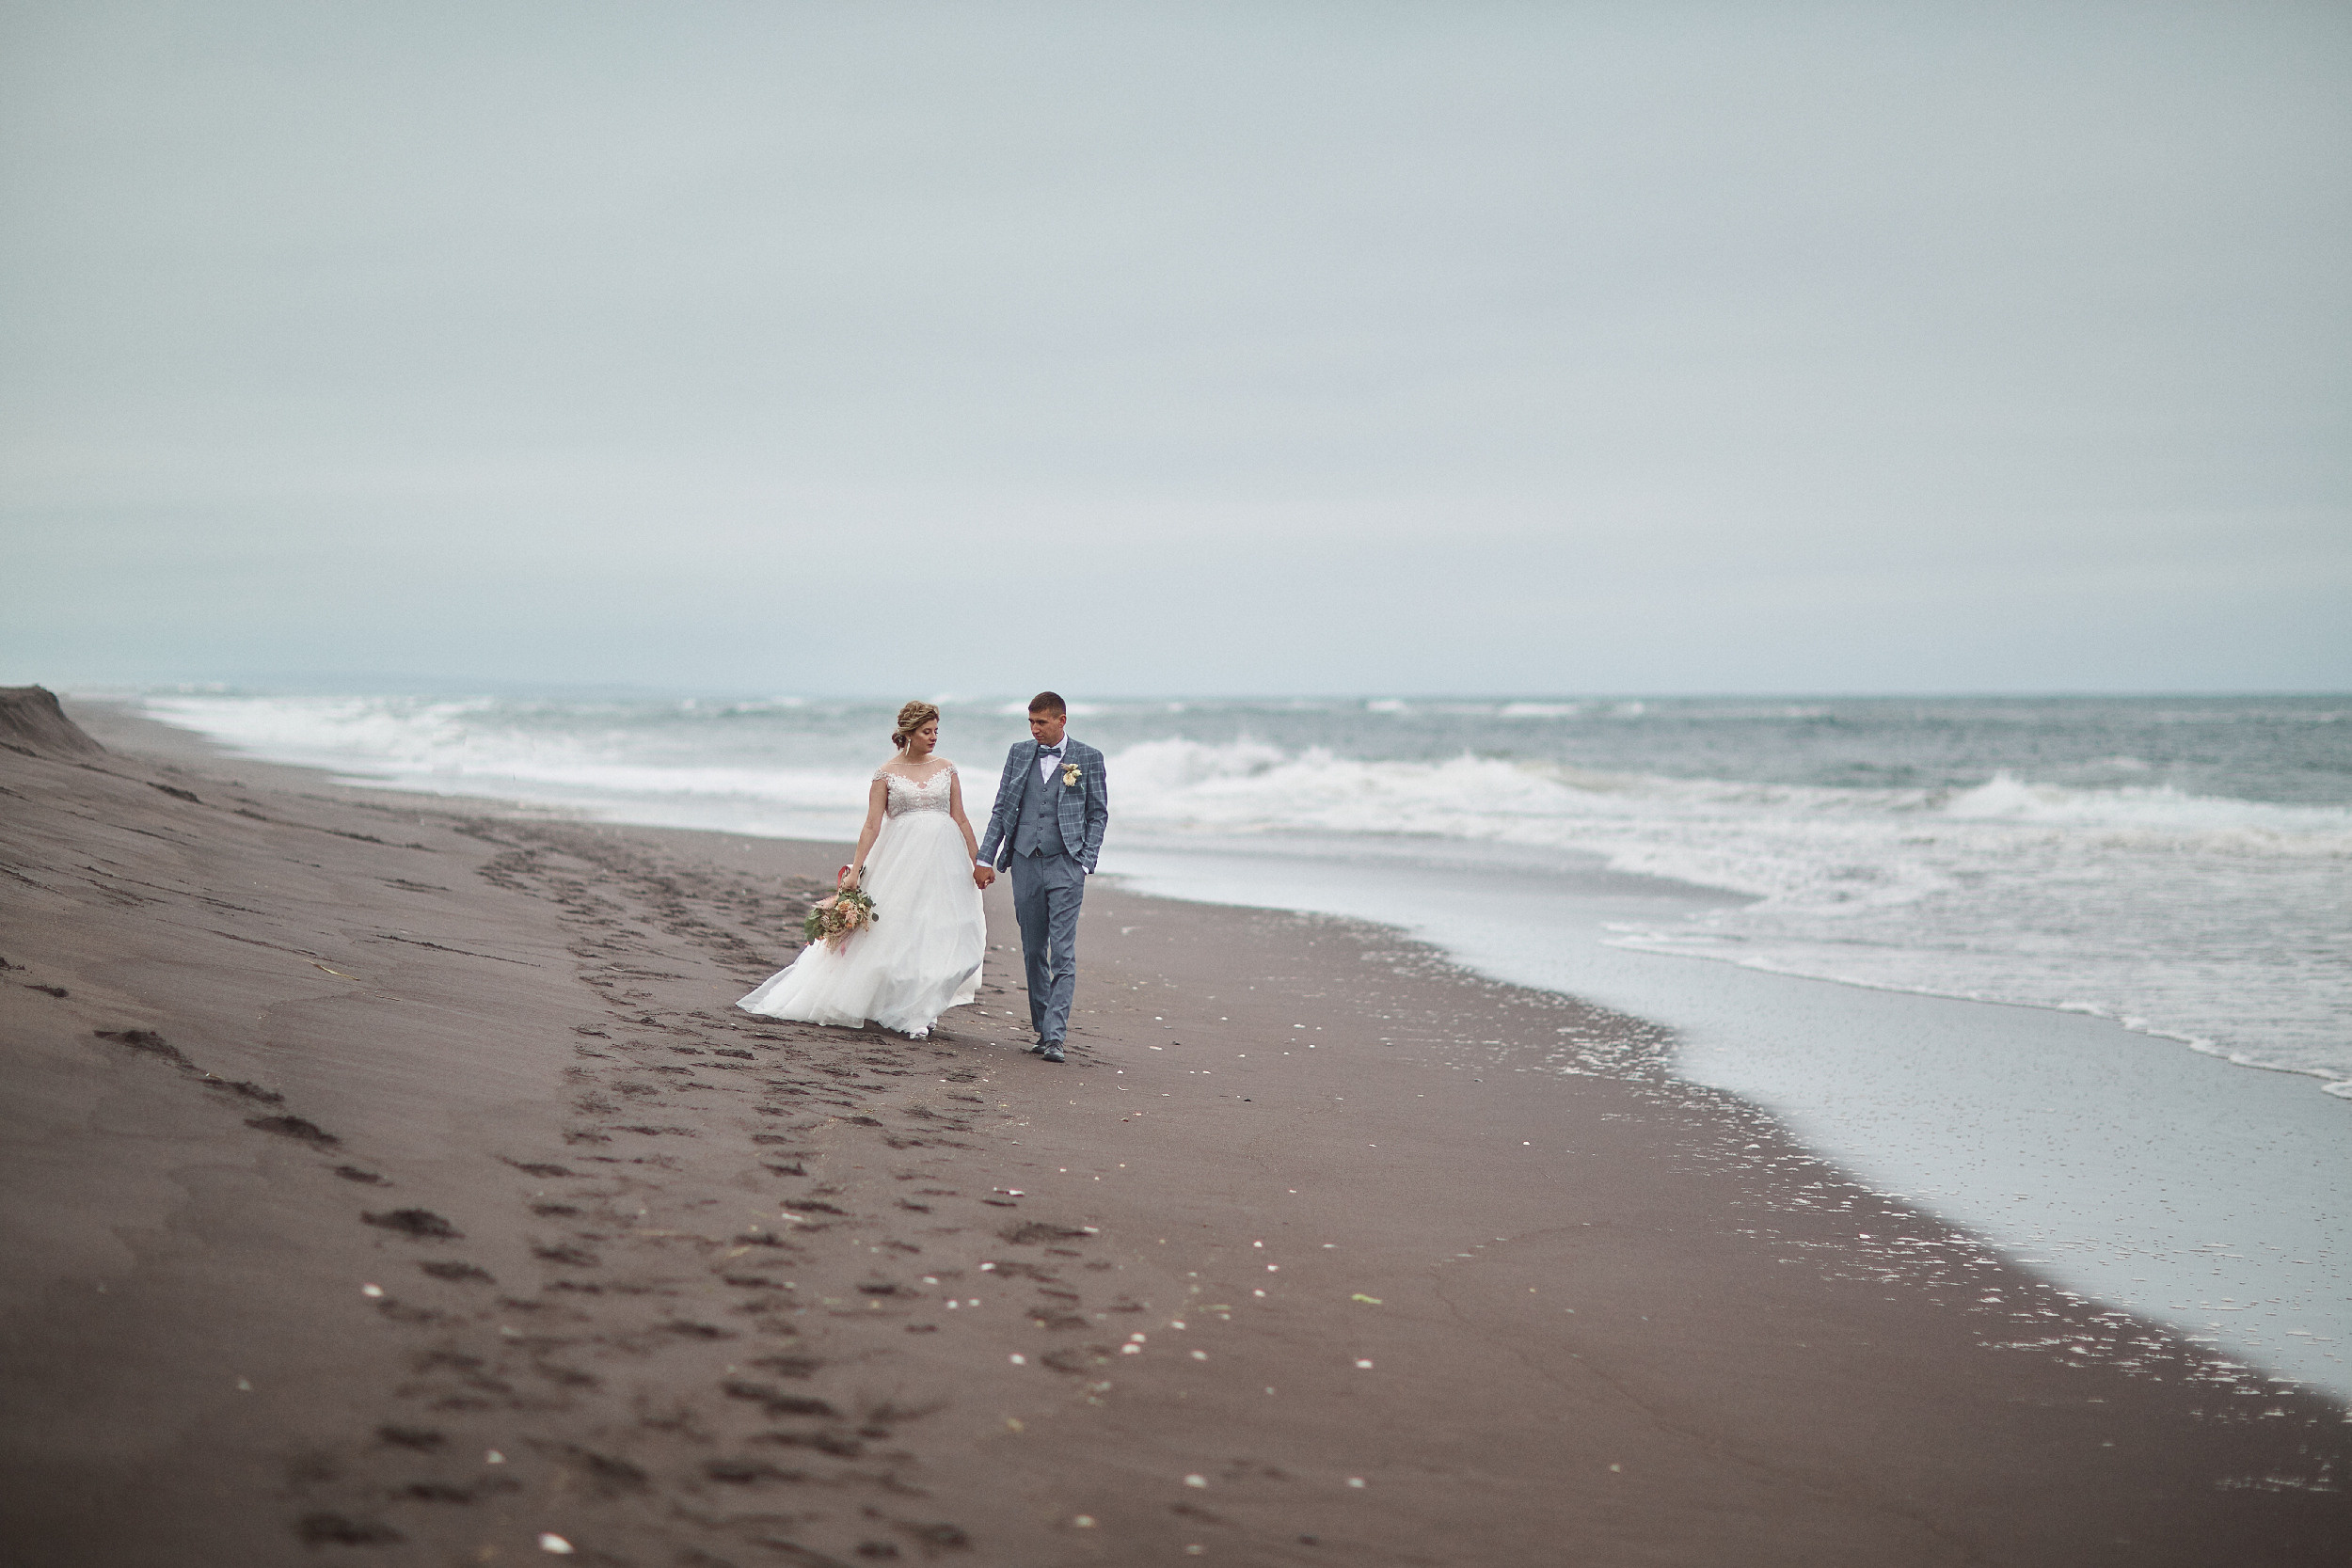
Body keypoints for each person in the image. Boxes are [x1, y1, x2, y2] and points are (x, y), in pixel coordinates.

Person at [737, 702, 986, 1038]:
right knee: (901, 933)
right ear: (908, 733)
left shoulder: (947, 768)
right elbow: (871, 825)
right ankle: (913, 1013)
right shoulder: (886, 773)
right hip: (900, 861)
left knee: (943, 932)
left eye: (936, 731)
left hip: (945, 861)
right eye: (926, 732)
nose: (933, 738)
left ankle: (925, 1006)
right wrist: (855, 871)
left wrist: (978, 860)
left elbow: (961, 817)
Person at [973, 690, 1108, 1064]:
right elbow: (1002, 807)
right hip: (1025, 861)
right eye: (1030, 723)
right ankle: (1043, 1027)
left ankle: (1055, 1037)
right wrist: (986, 857)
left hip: (1067, 864)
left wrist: (1085, 861)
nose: (1034, 729)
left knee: (1063, 951)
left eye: (1041, 723)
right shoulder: (1019, 754)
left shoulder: (1089, 758)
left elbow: (1098, 814)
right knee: (1033, 949)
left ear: (1061, 720)